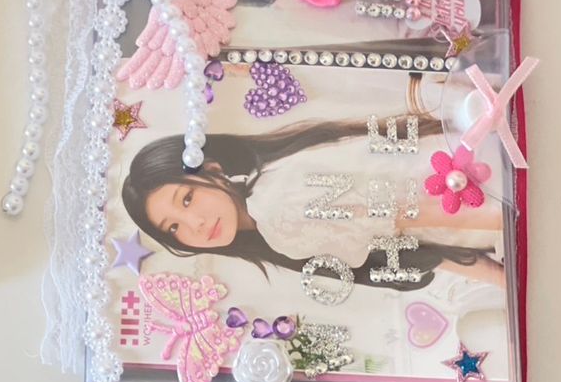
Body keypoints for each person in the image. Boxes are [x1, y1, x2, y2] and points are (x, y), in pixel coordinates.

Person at [120, 115, 505, 291]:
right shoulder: (272, 202)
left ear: (213, 170)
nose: (196, 225)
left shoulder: (275, 206)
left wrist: (509, 220)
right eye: (174, 227)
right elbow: (413, 245)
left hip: (481, 191)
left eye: (187, 199)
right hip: (474, 182)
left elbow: (409, 215)